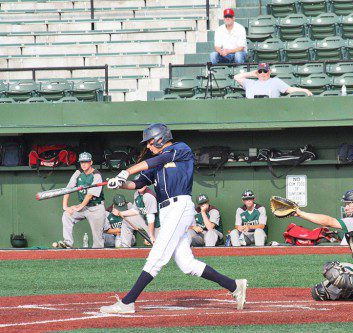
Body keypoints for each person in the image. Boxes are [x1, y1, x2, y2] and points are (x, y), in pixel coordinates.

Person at [100, 123, 247, 314]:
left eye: (150, 142)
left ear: (160, 138)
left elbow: (155, 161)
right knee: (187, 264)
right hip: (167, 211)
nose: (148, 147)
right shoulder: (156, 161)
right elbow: (139, 183)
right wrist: (119, 184)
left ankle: (127, 302)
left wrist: (126, 171)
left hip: (179, 206)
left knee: (157, 256)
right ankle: (235, 286)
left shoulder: (180, 149)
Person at [294, 187, 353, 303]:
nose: (346, 207)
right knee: (319, 292)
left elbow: (328, 221)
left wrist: (300, 213)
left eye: (350, 203)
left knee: (333, 269)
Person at [57, 152, 105, 248]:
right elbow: (68, 189)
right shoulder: (78, 173)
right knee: (67, 215)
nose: (83, 164)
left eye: (86, 162)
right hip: (83, 206)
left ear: (91, 162)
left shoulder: (96, 175)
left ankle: (99, 259)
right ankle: (68, 242)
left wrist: (80, 206)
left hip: (96, 208)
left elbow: (90, 194)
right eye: (81, 162)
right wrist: (65, 206)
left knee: (98, 242)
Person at [234, 63, 313, 98]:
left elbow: (289, 89)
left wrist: (304, 90)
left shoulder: (275, 81)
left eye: (265, 71)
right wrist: (251, 73)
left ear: (269, 72)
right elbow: (236, 77)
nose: (262, 73)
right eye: (260, 71)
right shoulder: (250, 83)